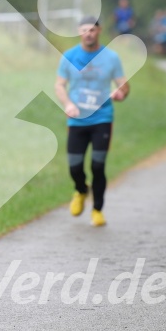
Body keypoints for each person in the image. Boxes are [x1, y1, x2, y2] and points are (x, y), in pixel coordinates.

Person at [55, 16, 130, 227]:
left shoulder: (111, 58)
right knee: (74, 167)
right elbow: (60, 85)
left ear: (99, 31)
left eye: (93, 30)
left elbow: (124, 86)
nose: (89, 33)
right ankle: (80, 190)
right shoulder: (69, 56)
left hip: (102, 119)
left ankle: (97, 210)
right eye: (85, 30)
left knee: (98, 165)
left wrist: (120, 93)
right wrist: (68, 104)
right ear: (79, 32)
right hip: (78, 120)